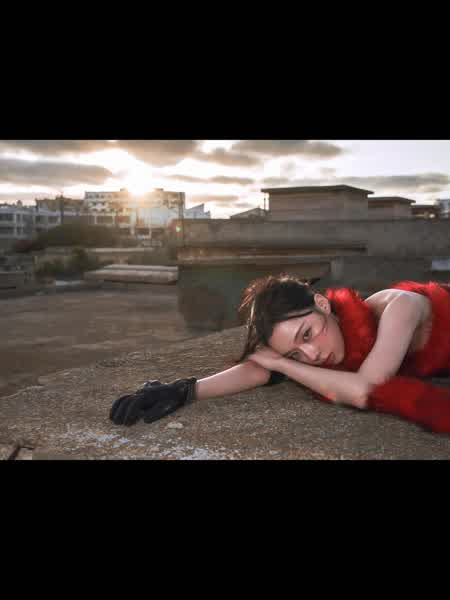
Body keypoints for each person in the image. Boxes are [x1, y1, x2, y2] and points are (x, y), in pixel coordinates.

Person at [109, 274, 450, 434]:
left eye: (307, 334)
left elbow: (366, 389)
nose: (312, 355)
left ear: (322, 304)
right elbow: (260, 370)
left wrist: (281, 362)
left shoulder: (399, 307)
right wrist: (186, 390)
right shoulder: (329, 339)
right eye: (295, 355)